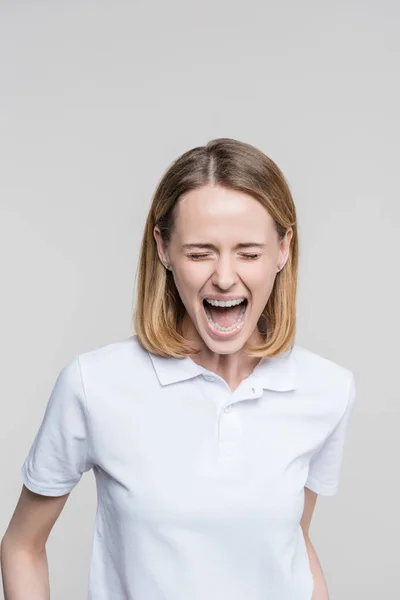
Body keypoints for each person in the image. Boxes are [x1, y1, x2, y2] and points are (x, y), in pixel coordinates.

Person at [1, 137, 356, 599]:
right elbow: (22, 546)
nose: (225, 276)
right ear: (164, 249)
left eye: (248, 253)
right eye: (199, 252)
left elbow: (291, 542)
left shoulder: (327, 390)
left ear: (284, 249)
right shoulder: (96, 385)